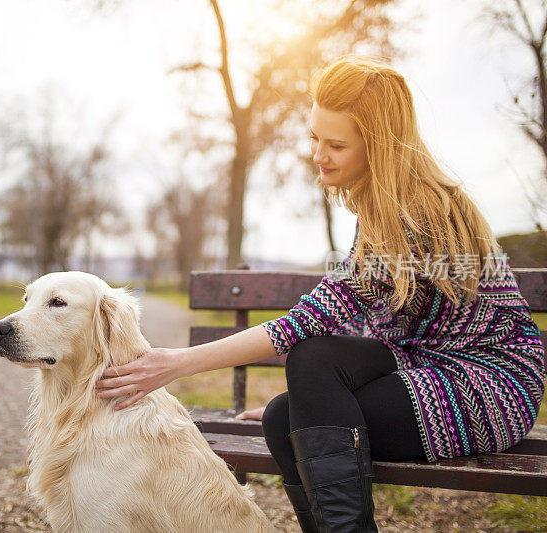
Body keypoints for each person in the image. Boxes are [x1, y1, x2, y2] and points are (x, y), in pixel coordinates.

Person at [96, 56, 546, 532]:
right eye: (314, 137)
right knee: (280, 421)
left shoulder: (418, 211)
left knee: (307, 362)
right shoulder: (378, 209)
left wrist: (178, 363)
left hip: (488, 387)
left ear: (378, 148)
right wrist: (312, 406)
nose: (318, 154)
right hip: (425, 369)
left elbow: (308, 322)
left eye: (336, 144)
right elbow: (356, 323)